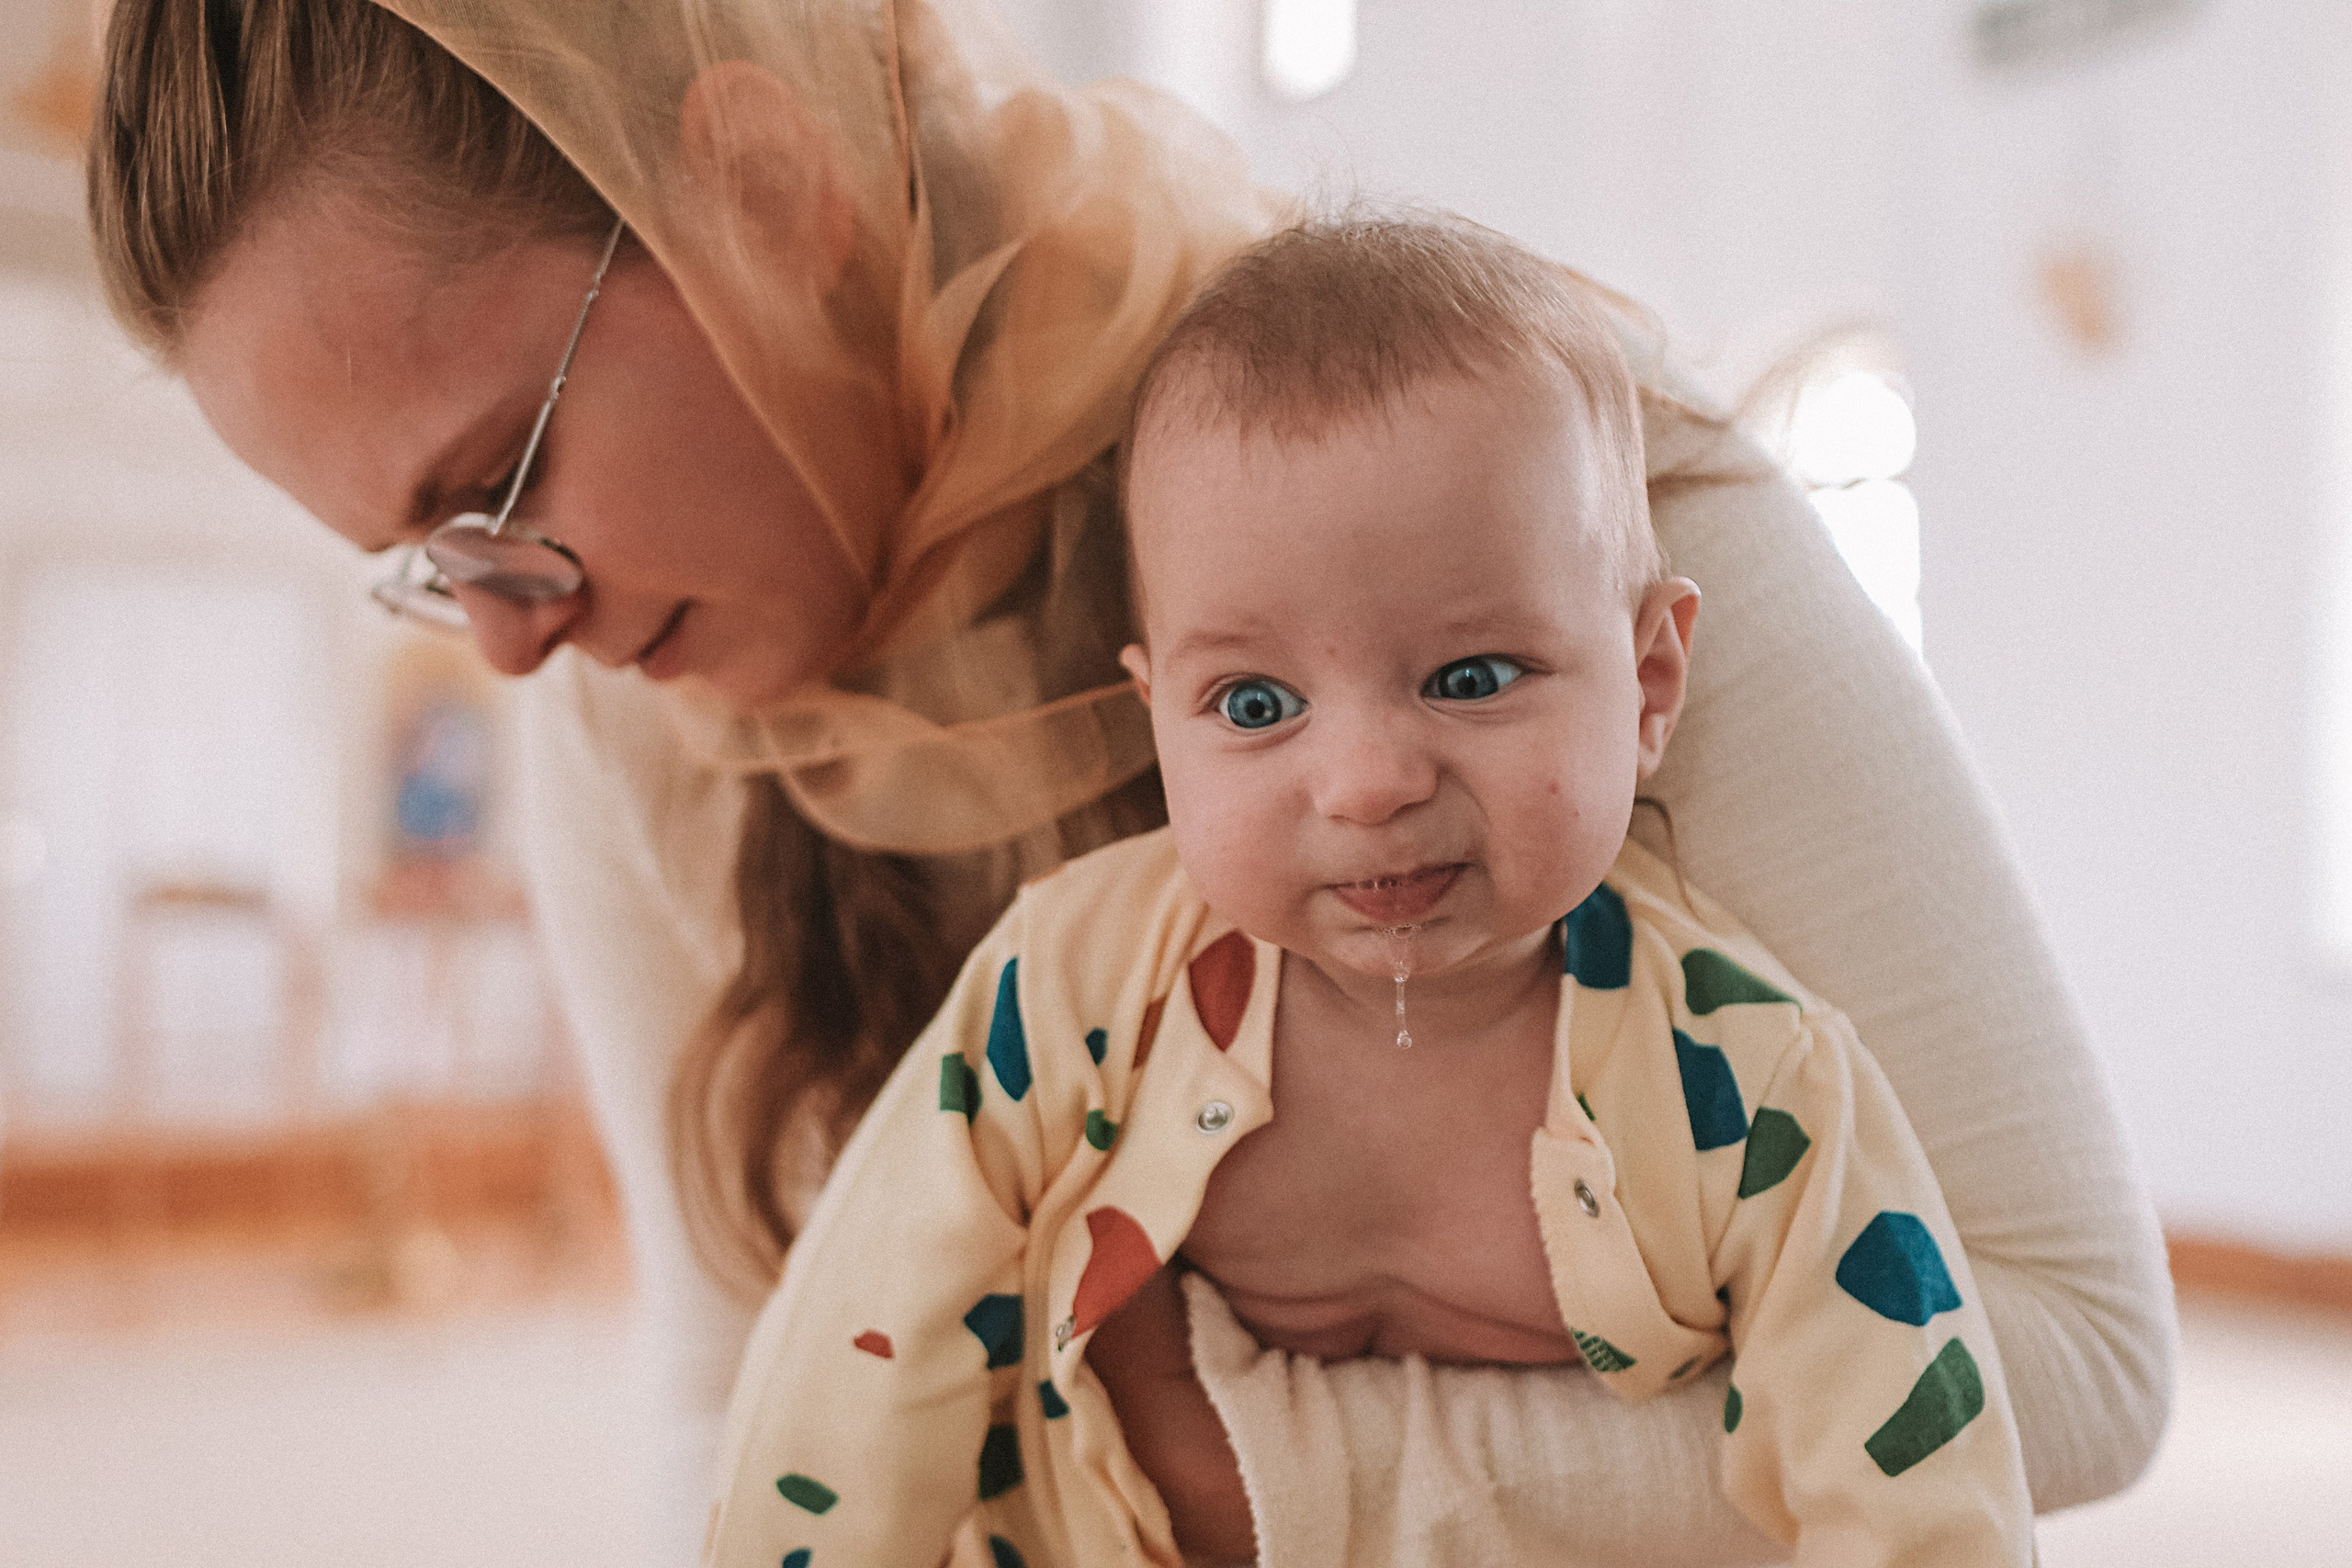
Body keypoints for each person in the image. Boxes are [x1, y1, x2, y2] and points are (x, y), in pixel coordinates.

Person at [89, 2, 2172, 1563]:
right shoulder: (634, 722)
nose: (506, 636)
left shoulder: (1522, 503)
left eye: (504, 487)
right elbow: (743, 1386)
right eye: (423, 564)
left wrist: (1238, 1469)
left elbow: (2072, 1349)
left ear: (756, 189)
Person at [706, 216, 2035, 1568]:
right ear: (1155, 715)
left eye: (1471, 677)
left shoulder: (1755, 1093)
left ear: (1647, 683)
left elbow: (1922, 1496)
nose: (1367, 782)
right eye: (1256, 702)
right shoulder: (1065, 995)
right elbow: (857, 1368)